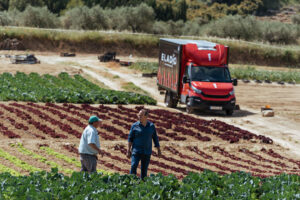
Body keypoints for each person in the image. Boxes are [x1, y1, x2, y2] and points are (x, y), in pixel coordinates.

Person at [127, 109, 161, 179]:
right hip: (136, 151)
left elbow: (155, 138)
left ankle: (142, 186)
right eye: (138, 115)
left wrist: (159, 150)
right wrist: (128, 150)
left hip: (147, 152)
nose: (139, 117)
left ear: (146, 116)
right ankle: (131, 182)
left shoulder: (151, 126)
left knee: (144, 171)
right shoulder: (134, 126)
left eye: (141, 115)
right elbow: (130, 139)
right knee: (133, 166)